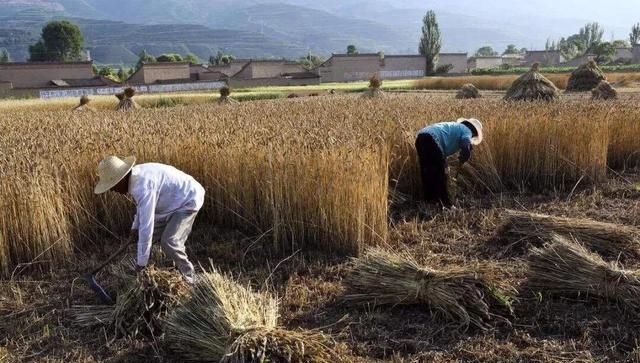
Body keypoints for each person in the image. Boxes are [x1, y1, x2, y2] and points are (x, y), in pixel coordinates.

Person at [94, 156, 205, 283]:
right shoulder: (135, 179)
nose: (113, 190)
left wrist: (142, 264)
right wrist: (135, 228)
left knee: (169, 242)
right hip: (169, 204)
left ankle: (191, 278)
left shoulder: (143, 186)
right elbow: (141, 209)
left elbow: (147, 226)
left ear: (122, 179)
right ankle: (166, 270)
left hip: (188, 199)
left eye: (113, 186)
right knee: (147, 239)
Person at [415, 118, 483, 207]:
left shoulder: (455, 127)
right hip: (432, 140)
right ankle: (445, 204)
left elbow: (441, 153)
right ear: (474, 132)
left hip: (421, 137)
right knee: (441, 174)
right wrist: (465, 156)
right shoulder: (467, 130)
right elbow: (465, 145)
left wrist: (445, 165)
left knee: (427, 171)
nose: (472, 137)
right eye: (473, 136)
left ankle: (429, 200)